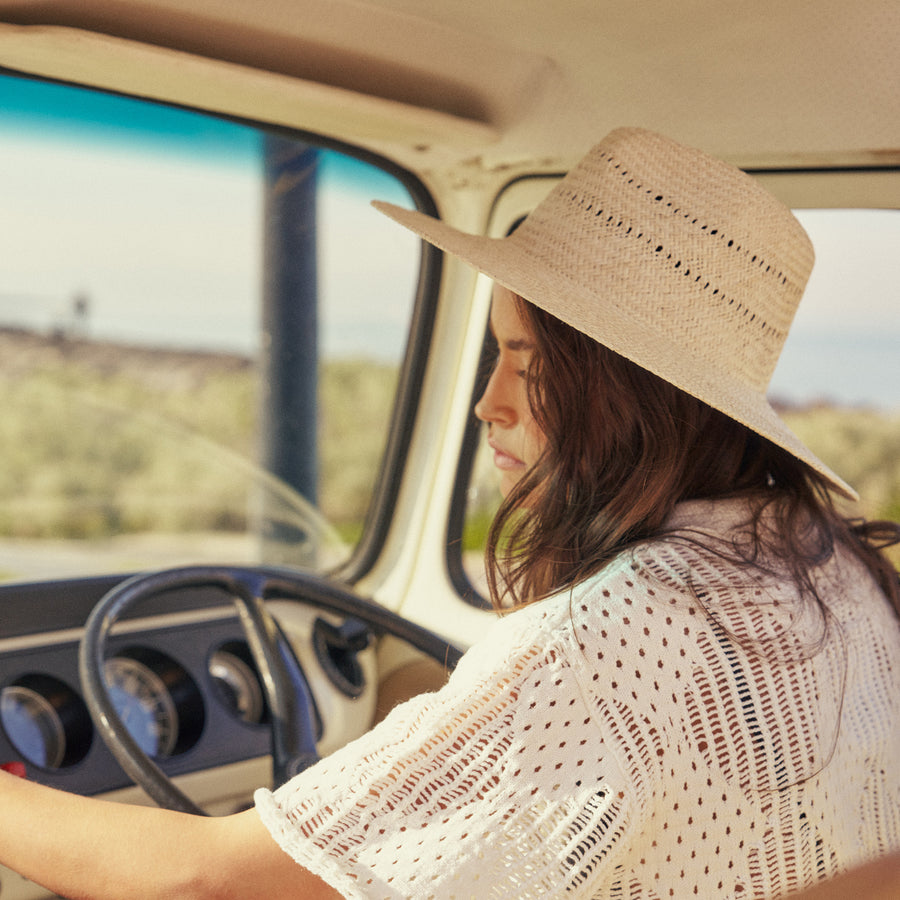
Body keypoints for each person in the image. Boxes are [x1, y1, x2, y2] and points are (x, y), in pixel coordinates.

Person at [1, 127, 898, 899]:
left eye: (527, 360)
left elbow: (204, 880)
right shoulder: (831, 567)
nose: (488, 403)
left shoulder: (606, 635)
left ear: (624, 394)